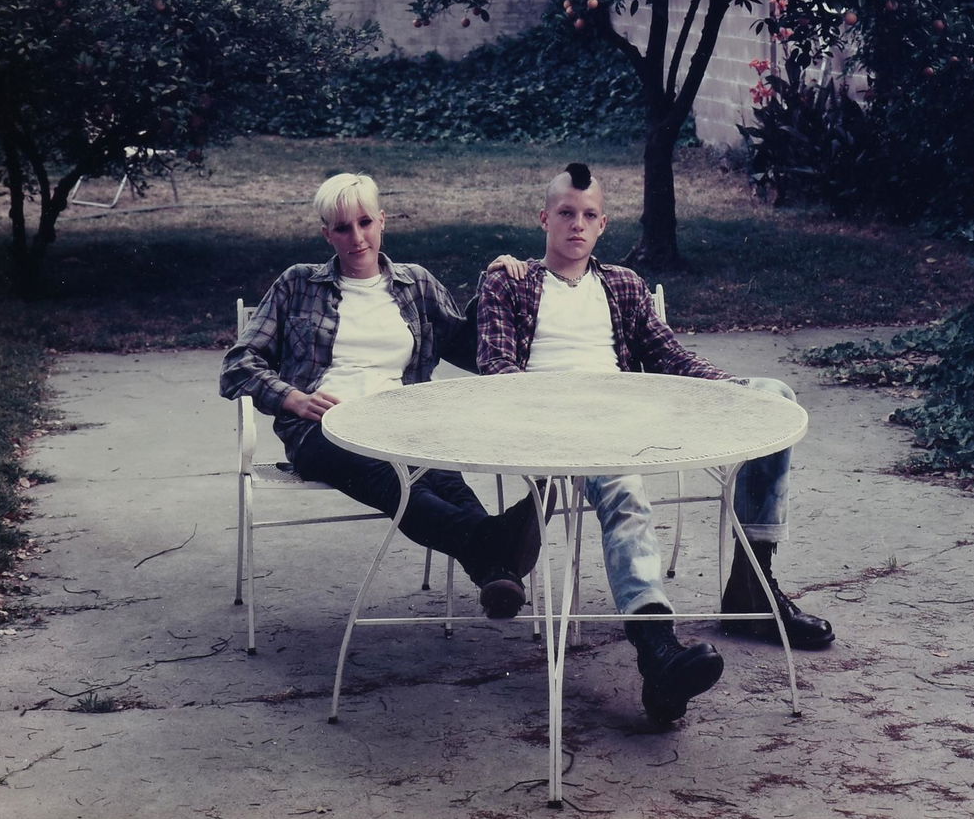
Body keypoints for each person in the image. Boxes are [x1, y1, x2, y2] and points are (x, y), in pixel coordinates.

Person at [477, 162, 834, 725]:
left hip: (628, 414)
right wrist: (561, 408)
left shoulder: (622, 284)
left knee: (775, 396)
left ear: (603, 224)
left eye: (588, 215)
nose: (576, 225)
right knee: (624, 489)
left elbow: (669, 356)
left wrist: (733, 390)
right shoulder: (510, 281)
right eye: (565, 213)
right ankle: (657, 649)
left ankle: (753, 589)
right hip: (554, 425)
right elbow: (496, 367)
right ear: (544, 218)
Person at [221, 171, 544, 619]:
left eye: (365, 222)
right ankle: (495, 540)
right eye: (342, 228)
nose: (357, 238)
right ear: (326, 233)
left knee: (447, 482)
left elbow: (472, 349)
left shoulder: (417, 284)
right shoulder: (298, 284)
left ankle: (496, 574)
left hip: (404, 426)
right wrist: (293, 398)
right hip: (324, 431)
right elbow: (238, 365)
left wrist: (492, 285)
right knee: (391, 481)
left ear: (382, 220)